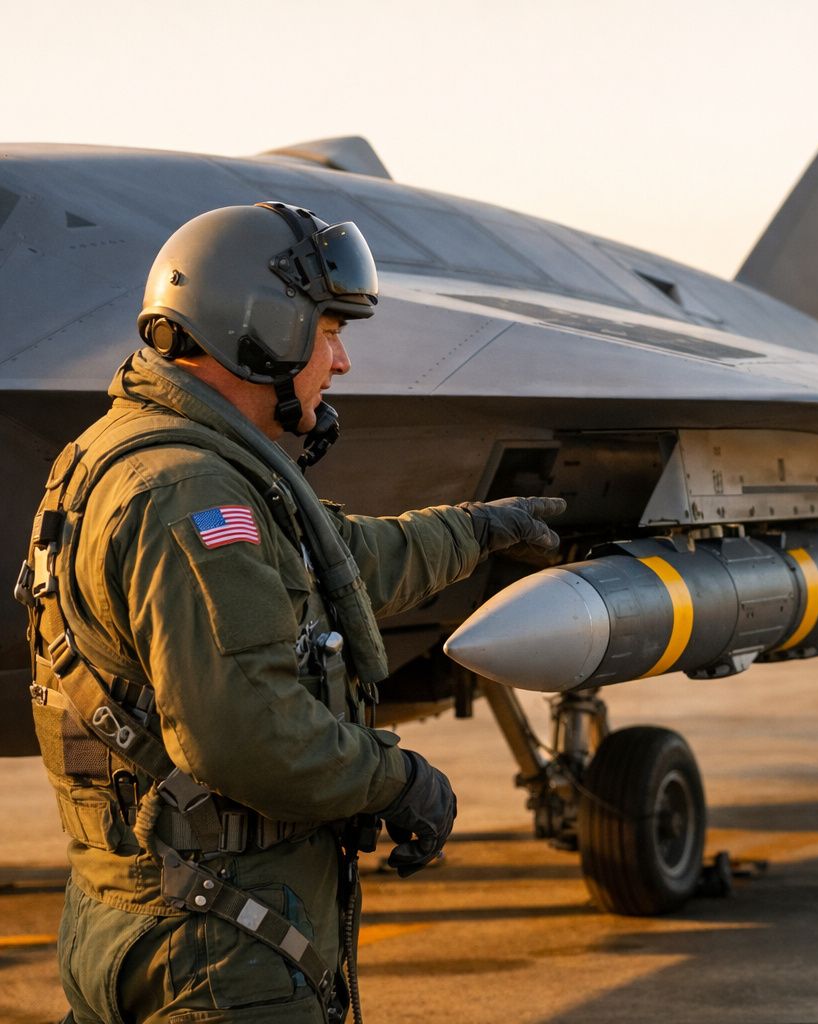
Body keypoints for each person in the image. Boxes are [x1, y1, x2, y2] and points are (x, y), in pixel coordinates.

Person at [17, 202, 565, 1023]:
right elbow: (244, 731)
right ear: (262, 330)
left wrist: (478, 530)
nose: (339, 362)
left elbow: (336, 564)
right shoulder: (191, 494)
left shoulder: (126, 452)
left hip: (142, 918)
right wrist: (396, 780)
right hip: (217, 954)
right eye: (329, 331)